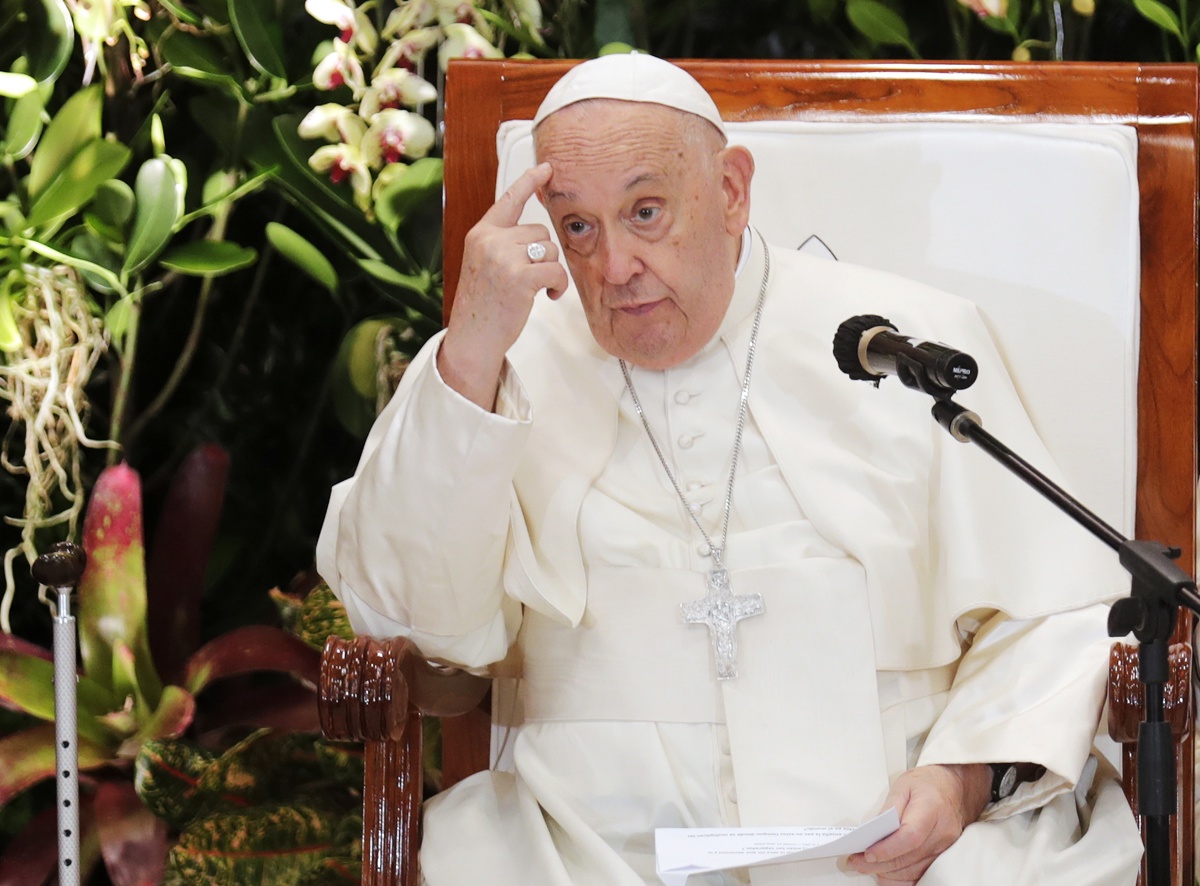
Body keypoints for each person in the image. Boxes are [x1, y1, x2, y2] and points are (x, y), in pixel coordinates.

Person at [317, 54, 1143, 885]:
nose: (613, 267)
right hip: (585, 848)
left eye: (646, 212)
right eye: (577, 226)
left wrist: (959, 782)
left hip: (890, 845)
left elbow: (1057, 607)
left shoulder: (898, 344)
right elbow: (410, 621)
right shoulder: (498, 366)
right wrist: (468, 353)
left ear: (732, 192)